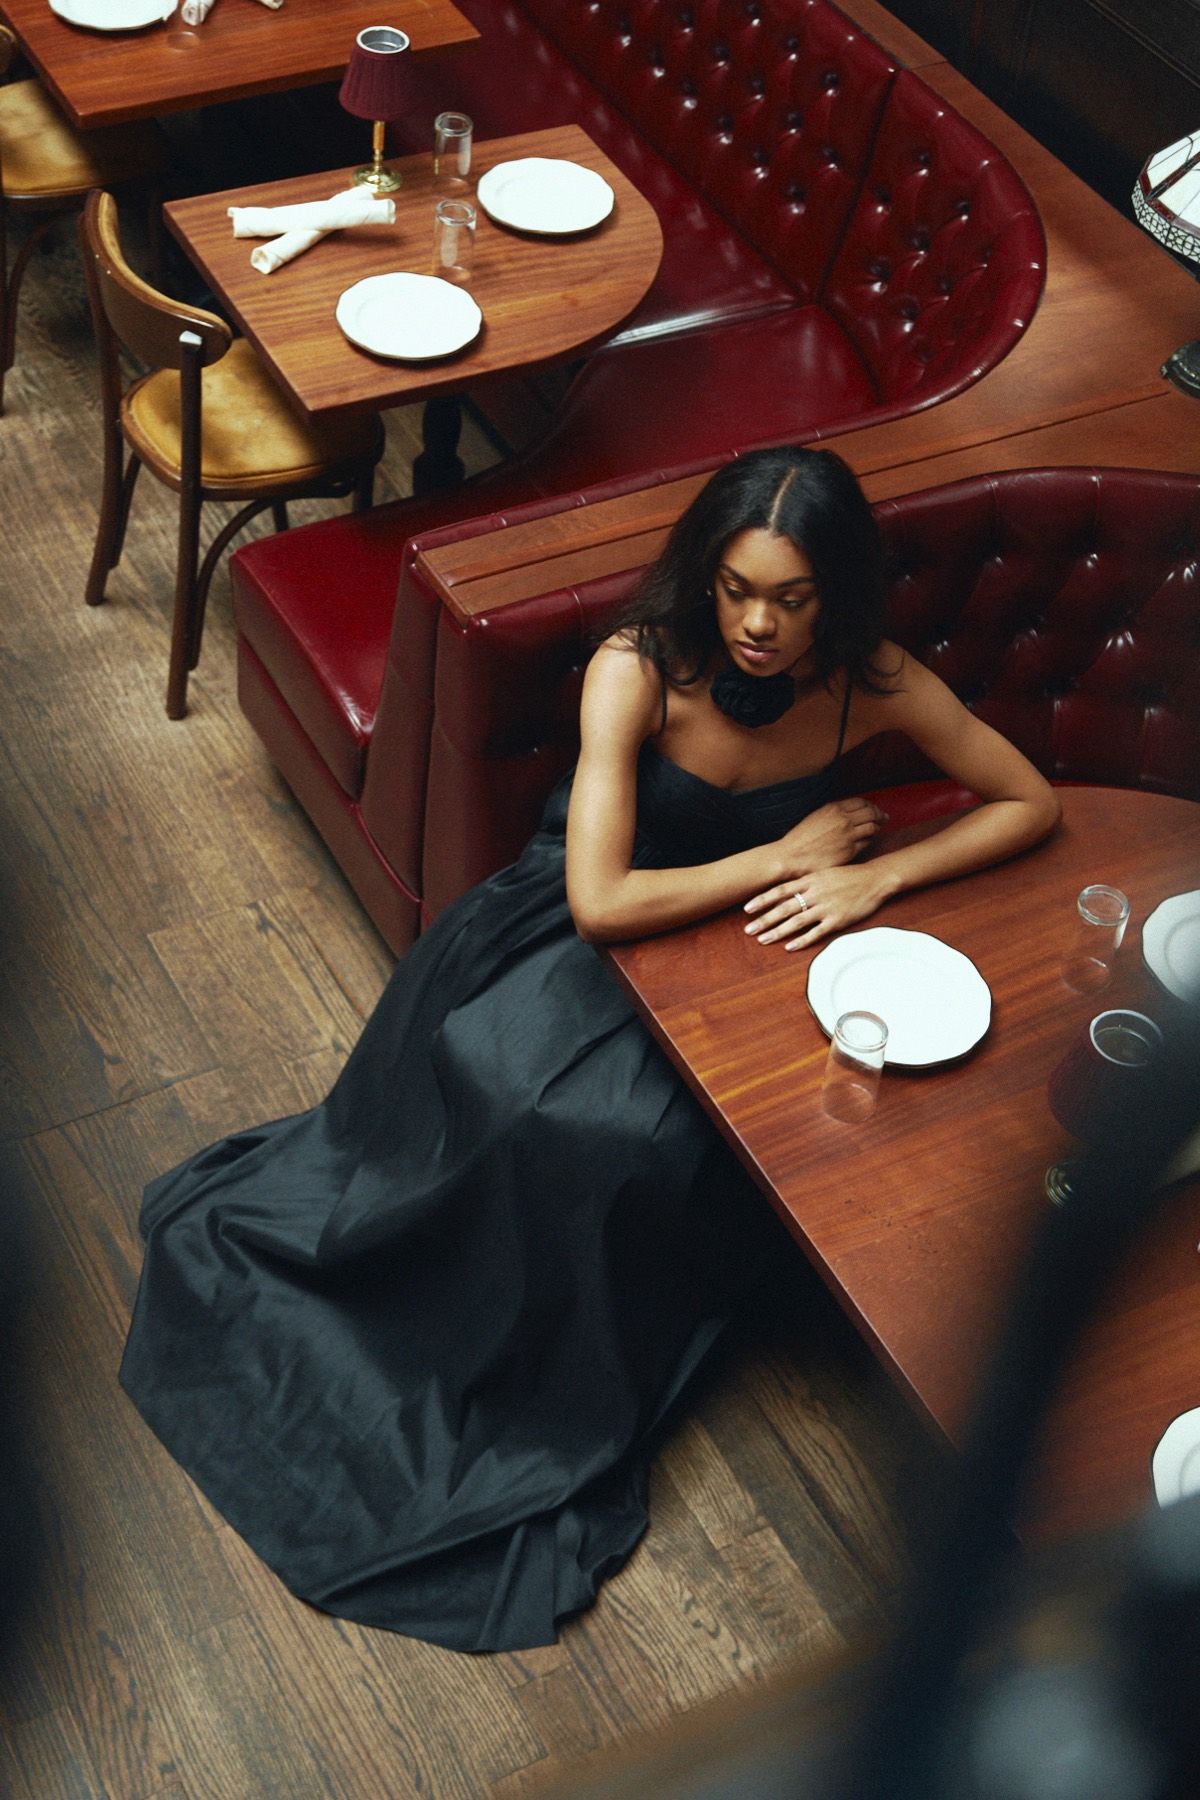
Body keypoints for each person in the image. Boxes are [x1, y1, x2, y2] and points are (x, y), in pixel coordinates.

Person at [120, 448, 1059, 1654]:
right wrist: (784, 857)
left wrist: (877, 875)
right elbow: (605, 902)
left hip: (730, 962)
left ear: (840, 593)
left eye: (791, 597)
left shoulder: (869, 682)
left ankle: (557, 1351)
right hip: (565, 938)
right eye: (735, 590)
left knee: (659, 1147)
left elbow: (1029, 801)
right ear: (703, 578)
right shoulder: (638, 667)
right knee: (528, 1106)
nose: (758, 625)